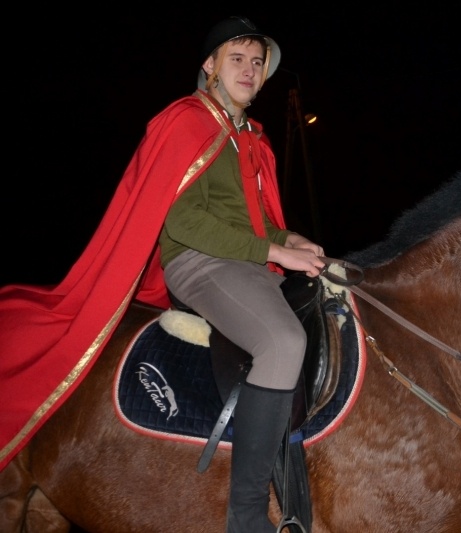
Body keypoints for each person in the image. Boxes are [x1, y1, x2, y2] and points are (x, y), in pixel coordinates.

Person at [0, 16, 324, 533]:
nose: (248, 69)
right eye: (236, 58)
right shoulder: (186, 121)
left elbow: (258, 222)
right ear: (210, 66)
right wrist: (272, 249)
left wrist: (291, 241)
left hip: (246, 262)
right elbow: (184, 220)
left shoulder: (251, 138)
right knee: (283, 342)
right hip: (199, 262)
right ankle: (245, 516)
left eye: (256, 62)